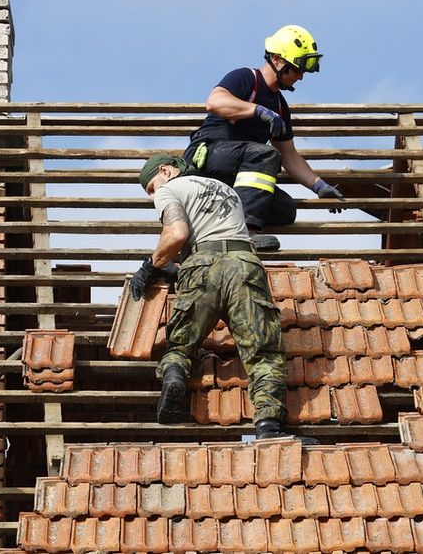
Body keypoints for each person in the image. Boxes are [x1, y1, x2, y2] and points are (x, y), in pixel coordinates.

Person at [133, 154, 313, 443]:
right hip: (245, 264)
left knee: (181, 343)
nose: (153, 194)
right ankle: (269, 428)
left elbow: (177, 233)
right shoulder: (226, 190)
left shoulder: (169, 190)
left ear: (166, 171)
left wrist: (150, 265)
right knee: (264, 352)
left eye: (151, 187)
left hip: (202, 265)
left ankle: (176, 376)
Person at [183, 24, 344, 252]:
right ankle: (245, 233)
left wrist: (318, 185)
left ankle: (220, 225)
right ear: (277, 60)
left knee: (284, 209)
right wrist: (256, 110)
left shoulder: (280, 106)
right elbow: (215, 102)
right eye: (296, 69)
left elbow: (289, 156)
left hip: (236, 172)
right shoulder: (246, 78)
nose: (300, 77)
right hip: (208, 154)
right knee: (266, 154)